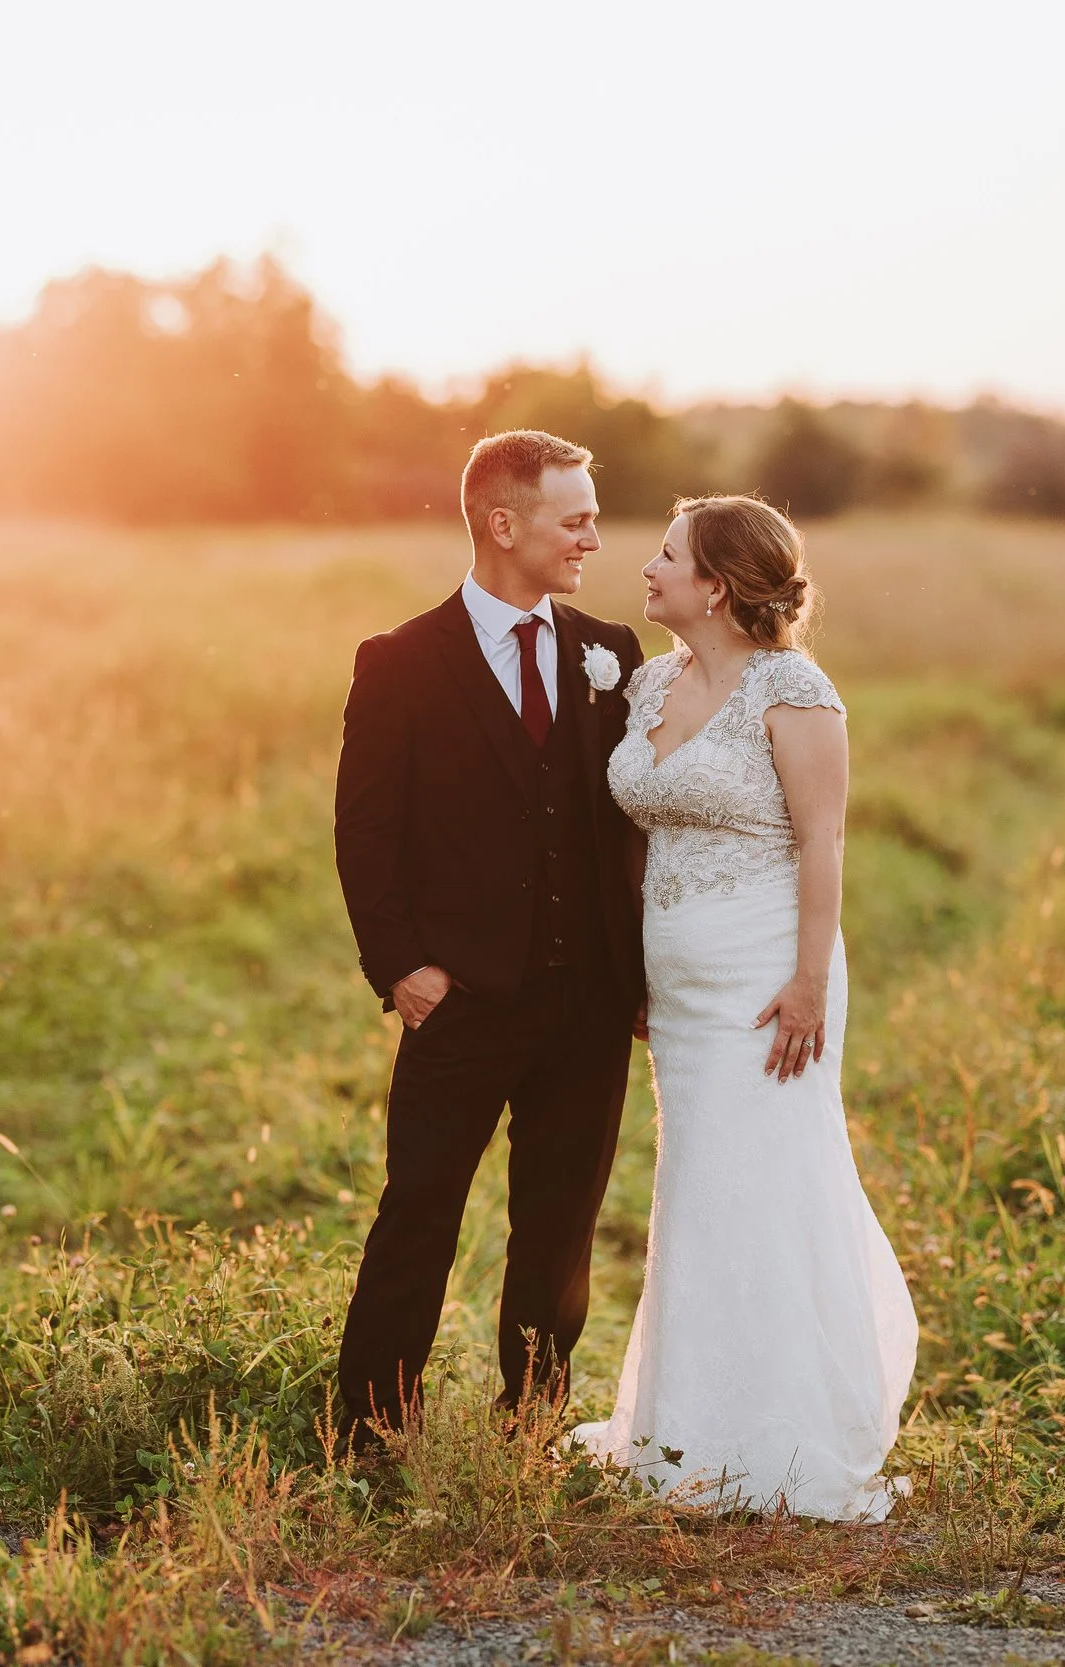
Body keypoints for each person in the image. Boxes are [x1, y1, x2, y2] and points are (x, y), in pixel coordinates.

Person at [571, 495, 917, 1521]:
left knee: (764, 1177)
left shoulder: (793, 688)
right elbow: (639, 828)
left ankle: (781, 1438)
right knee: (696, 1184)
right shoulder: (648, 683)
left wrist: (809, 980)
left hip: (771, 974)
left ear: (715, 585)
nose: (646, 568)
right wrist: (633, 969)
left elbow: (823, 842)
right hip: (676, 985)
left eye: (666, 556)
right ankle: (685, 1426)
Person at [331, 430, 646, 1442]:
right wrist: (402, 968)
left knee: (557, 1229)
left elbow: (623, 824)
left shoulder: (610, 652)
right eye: (575, 516)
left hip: (586, 999)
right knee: (418, 1212)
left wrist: (635, 970)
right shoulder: (400, 661)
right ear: (503, 523)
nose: (593, 536)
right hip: (457, 996)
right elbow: (365, 830)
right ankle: (373, 1430)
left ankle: (533, 1426)